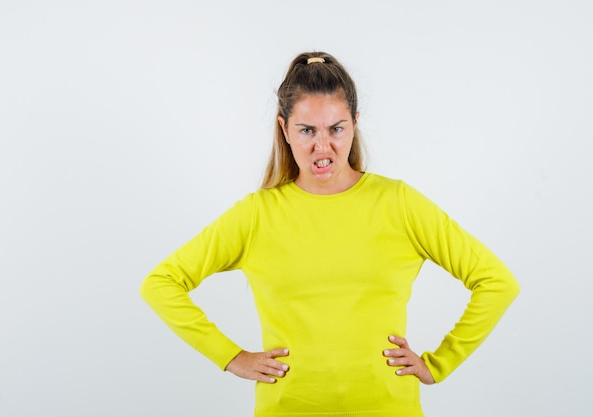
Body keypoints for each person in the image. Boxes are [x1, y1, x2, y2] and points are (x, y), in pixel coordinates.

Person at [140, 51, 520, 416]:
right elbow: (161, 283)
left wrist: (440, 363)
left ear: (355, 122)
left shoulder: (399, 203)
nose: (323, 147)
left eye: (336, 128)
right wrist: (231, 357)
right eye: (307, 130)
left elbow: (497, 282)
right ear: (284, 128)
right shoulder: (257, 214)